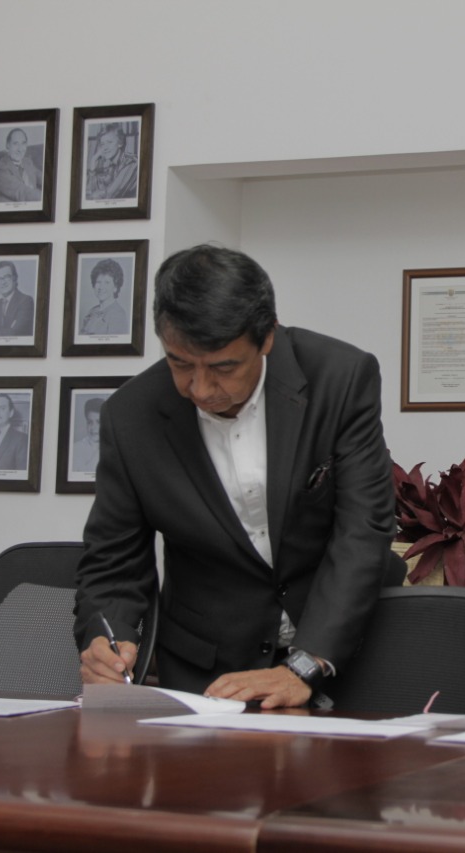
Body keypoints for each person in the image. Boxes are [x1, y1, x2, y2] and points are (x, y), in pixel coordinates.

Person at [73, 244, 403, 704]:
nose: (201, 389)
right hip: (205, 674)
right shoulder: (130, 416)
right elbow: (114, 559)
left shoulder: (341, 378)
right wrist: (105, 638)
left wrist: (306, 663)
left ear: (266, 336)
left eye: (224, 367)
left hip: (338, 657)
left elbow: (361, 531)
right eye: (180, 364)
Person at [0, 260, 35, 338]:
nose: (2, 282)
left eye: (6, 277)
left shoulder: (26, 301)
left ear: (14, 278)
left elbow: (15, 333)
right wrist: (7, 330)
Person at [85, 125, 138, 200]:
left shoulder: (131, 163)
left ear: (120, 143)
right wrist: (93, 162)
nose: (105, 148)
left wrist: (96, 194)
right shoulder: (112, 165)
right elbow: (92, 190)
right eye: (102, 144)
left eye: (109, 142)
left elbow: (109, 196)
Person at [79, 258, 130, 335]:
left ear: (115, 287)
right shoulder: (92, 312)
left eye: (107, 282)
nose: (101, 287)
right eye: (98, 282)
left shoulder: (118, 315)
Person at [0, 128, 43, 203]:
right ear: (8, 145)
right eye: (15, 143)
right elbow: (22, 192)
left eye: (23, 143)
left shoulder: (27, 161)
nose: (20, 149)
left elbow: (42, 178)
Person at [71, 396, 104, 473]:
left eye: (98, 422)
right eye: (90, 422)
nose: (93, 427)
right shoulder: (76, 449)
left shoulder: (114, 448)